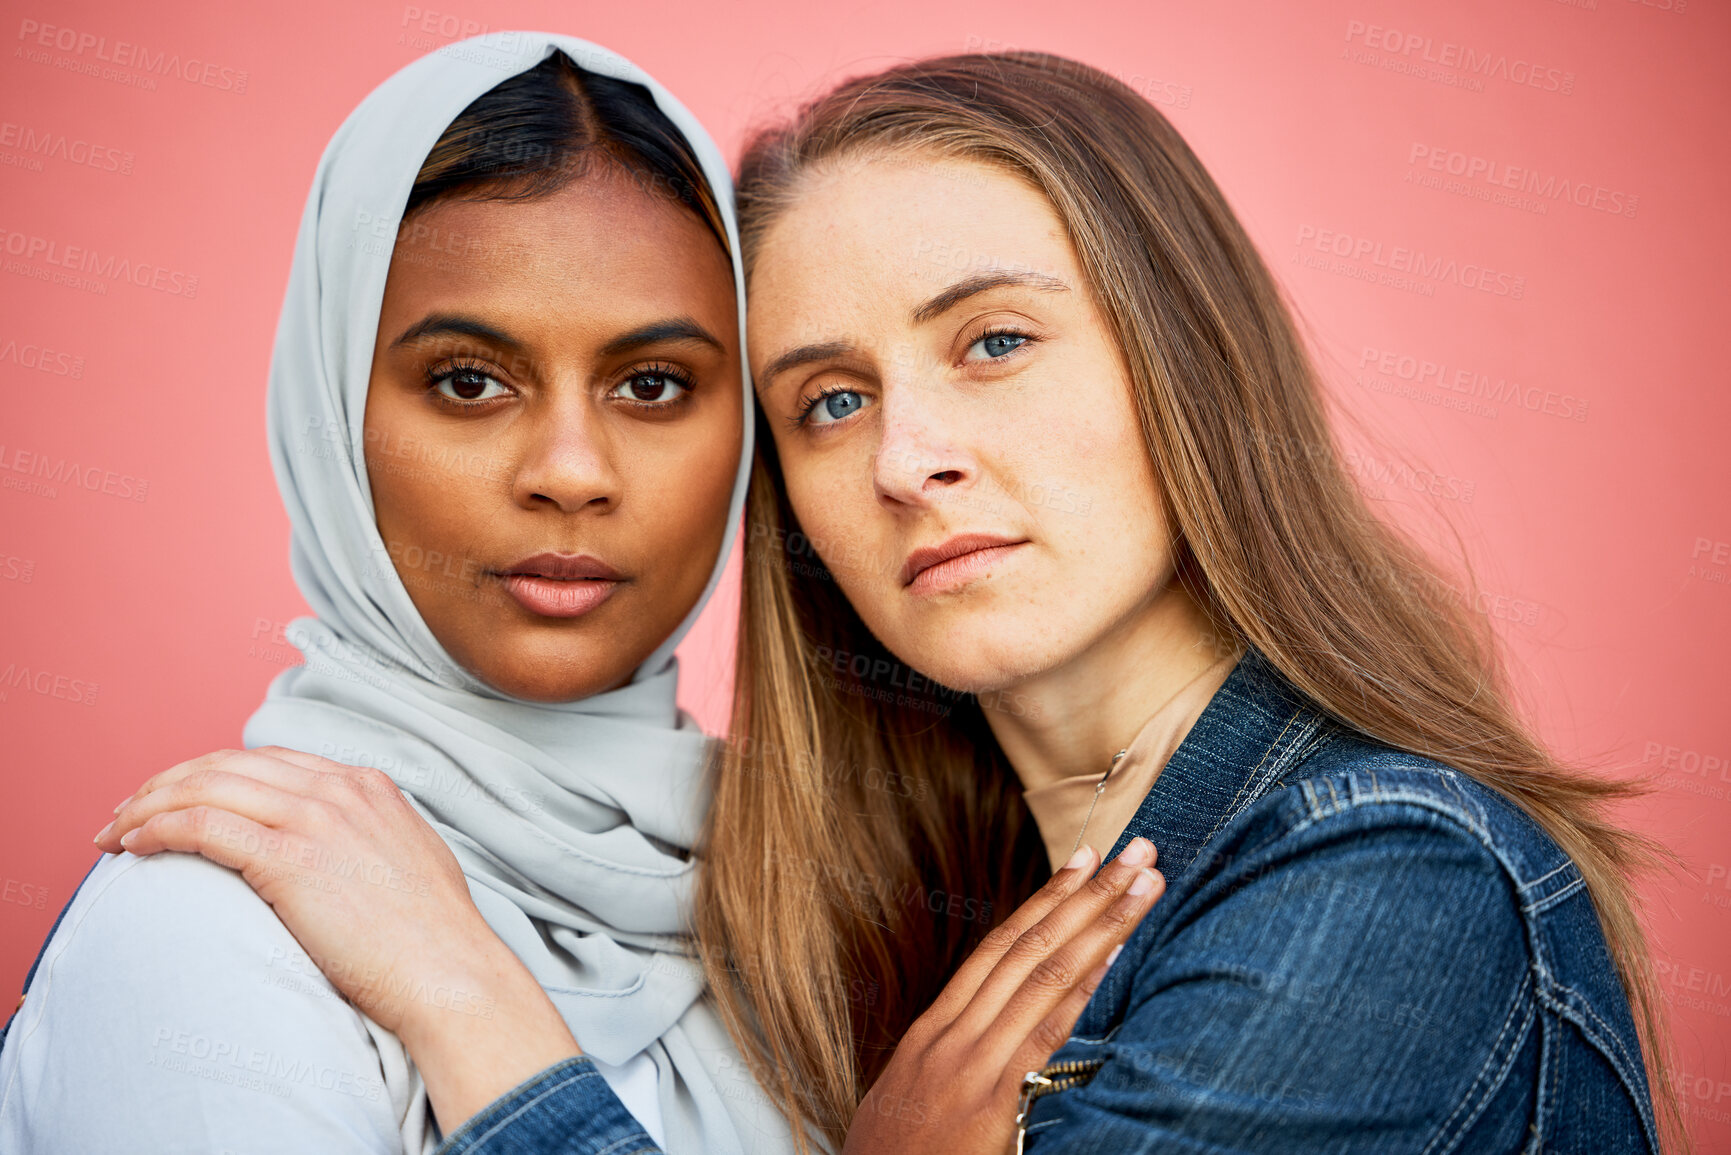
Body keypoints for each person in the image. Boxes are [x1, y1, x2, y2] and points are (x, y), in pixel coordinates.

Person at [83, 48, 1681, 1155]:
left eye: (991, 341)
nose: (909, 458)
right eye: (828, 400)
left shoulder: (1383, 881)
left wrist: (465, 1002)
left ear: (1179, 357)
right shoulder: (936, 911)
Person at [0, 33, 788, 1154]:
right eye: (469, 382)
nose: (570, 470)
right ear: (331, 415)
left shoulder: (817, 914)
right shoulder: (209, 929)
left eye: (653, 384)